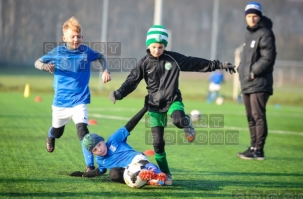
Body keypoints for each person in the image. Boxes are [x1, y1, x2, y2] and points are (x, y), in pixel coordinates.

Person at [108, 25, 236, 183]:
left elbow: (194, 63)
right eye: (154, 47)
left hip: (173, 100)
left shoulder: (173, 59)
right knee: (158, 144)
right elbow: (131, 81)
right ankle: (166, 174)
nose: (157, 50)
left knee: (178, 120)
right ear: (148, 45)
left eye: (160, 47)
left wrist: (219, 65)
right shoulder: (143, 63)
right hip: (154, 107)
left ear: (165, 46)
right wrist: (119, 93)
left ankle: (187, 123)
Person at [34, 16, 111, 171]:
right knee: (58, 132)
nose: (76, 39)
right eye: (72, 36)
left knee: (83, 133)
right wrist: (45, 67)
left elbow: (101, 57)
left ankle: (90, 166)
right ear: (64, 38)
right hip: (60, 103)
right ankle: (51, 135)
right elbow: (37, 62)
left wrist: (105, 70)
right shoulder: (57, 52)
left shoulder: (86, 51)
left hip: (79, 100)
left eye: (79, 36)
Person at [70, 103, 170, 186]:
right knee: (113, 174)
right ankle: (149, 180)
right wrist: (84, 174)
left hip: (136, 159)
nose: (99, 150)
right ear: (93, 153)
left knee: (144, 164)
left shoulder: (114, 139)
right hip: (128, 171)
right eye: (95, 150)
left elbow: (130, 124)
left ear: (103, 140)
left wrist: (144, 108)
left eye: (99, 145)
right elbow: (98, 171)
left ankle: (157, 173)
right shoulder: (100, 161)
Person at [237, 2, 276, 160]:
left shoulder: (265, 33)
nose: (252, 19)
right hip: (247, 83)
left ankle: (259, 150)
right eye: (249, 16)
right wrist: (241, 70)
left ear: (259, 17)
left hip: (259, 83)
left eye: (255, 16)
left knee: (258, 116)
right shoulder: (249, 34)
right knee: (250, 117)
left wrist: (253, 71)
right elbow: (246, 59)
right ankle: (253, 147)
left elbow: (268, 58)